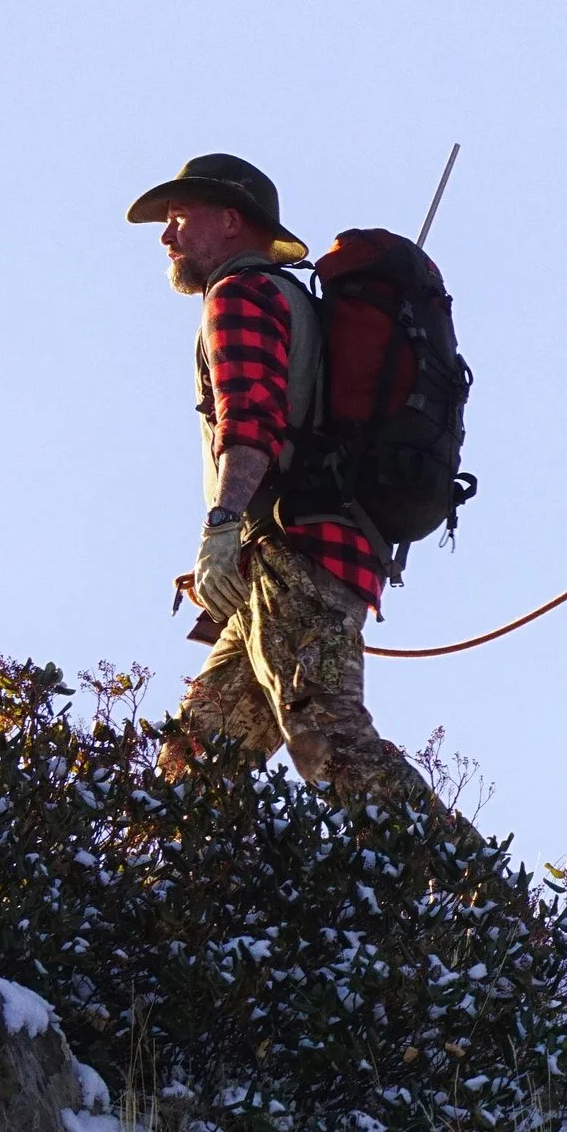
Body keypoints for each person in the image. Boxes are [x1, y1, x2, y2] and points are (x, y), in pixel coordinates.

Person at [130, 154, 432, 807]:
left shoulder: (240, 295)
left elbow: (251, 422)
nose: (166, 235)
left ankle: (471, 896)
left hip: (301, 551)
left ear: (232, 220)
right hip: (308, 551)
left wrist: (220, 526)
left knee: (329, 735)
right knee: (195, 758)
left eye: (180, 216)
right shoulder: (295, 300)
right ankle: (175, 898)